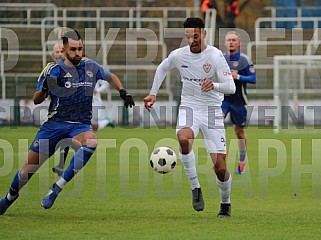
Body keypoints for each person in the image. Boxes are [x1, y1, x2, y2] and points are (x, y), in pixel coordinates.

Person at [0, 29, 135, 215]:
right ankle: (9, 198)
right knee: (26, 172)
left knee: (92, 141)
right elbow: (37, 99)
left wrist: (123, 92)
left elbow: (110, 76)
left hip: (80, 125)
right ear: (63, 50)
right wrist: (45, 87)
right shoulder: (53, 70)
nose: (78, 53)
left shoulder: (90, 66)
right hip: (55, 124)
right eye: (73, 49)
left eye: (80, 48)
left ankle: (57, 187)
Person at [144, 17, 235, 218]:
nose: (191, 40)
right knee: (184, 139)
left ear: (203, 33)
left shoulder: (216, 56)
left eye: (195, 36)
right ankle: (195, 188)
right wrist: (153, 93)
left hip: (212, 111)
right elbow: (162, 68)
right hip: (190, 107)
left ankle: (225, 203)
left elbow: (231, 86)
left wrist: (215, 85)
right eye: (188, 37)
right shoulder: (179, 55)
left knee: (220, 168)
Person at [222, 31, 256, 175]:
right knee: (218, 121)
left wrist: (238, 76)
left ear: (238, 42)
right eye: (228, 40)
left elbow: (253, 79)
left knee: (239, 131)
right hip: (224, 99)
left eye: (234, 40)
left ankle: (242, 161)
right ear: (225, 43)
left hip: (239, 101)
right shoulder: (221, 59)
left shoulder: (244, 60)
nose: (231, 42)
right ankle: (222, 152)